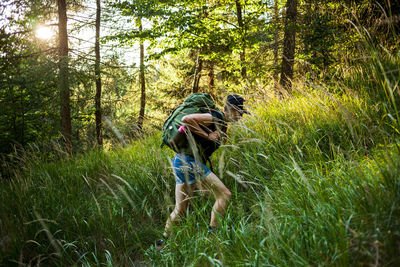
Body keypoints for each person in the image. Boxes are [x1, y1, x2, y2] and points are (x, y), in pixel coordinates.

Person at [157, 94, 248, 250]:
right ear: (232, 110)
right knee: (224, 194)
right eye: (240, 112)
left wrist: (214, 137)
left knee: (180, 210)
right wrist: (208, 135)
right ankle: (213, 238)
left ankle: (160, 245)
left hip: (180, 162)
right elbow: (186, 119)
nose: (240, 116)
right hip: (190, 163)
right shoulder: (217, 116)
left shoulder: (221, 122)